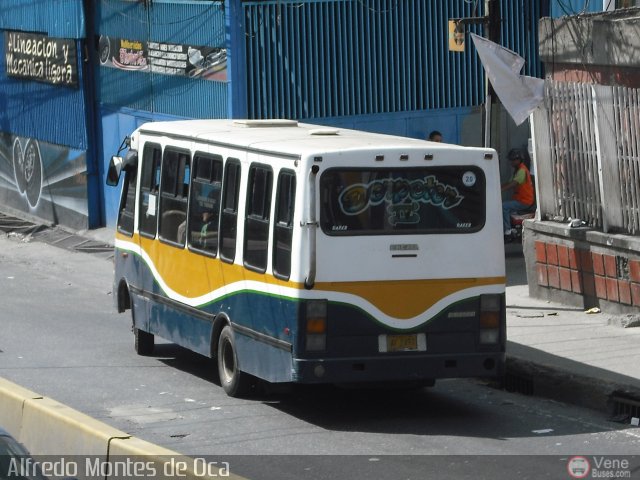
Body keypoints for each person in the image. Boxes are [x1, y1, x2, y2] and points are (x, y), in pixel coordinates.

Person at [501, 148, 534, 238]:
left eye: (513, 160)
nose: (511, 162)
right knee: (507, 207)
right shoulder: (517, 170)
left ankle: (508, 231)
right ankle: (513, 228)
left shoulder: (522, 170)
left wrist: (501, 190)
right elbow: (509, 182)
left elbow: (513, 184)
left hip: (524, 201)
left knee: (504, 206)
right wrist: (498, 187)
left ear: (518, 160)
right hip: (520, 199)